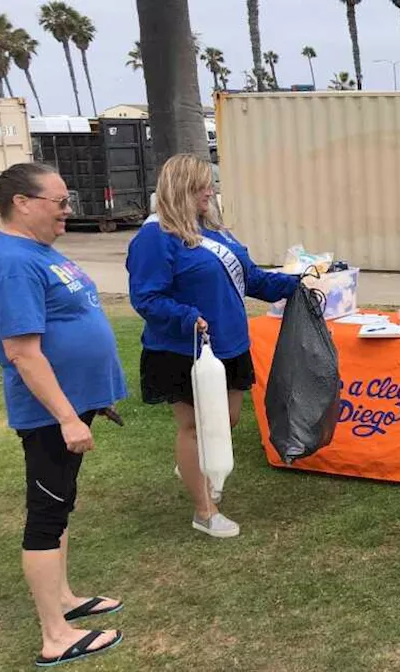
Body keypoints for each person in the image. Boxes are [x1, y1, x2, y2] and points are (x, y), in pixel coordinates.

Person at [0, 163, 126, 666]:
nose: (68, 212)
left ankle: (63, 598)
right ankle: (55, 635)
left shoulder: (35, 252)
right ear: (23, 203)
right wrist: (66, 416)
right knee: (45, 515)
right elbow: (22, 351)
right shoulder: (14, 262)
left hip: (69, 404)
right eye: (59, 202)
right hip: (46, 415)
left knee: (60, 505)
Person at [126, 153, 300, 539]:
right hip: (182, 349)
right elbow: (146, 298)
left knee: (227, 420)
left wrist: (299, 282)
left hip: (230, 343)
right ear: (182, 188)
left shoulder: (216, 231)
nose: (211, 191)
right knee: (193, 427)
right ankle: (205, 510)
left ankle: (194, 465)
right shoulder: (155, 237)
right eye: (203, 185)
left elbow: (252, 279)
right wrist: (188, 316)